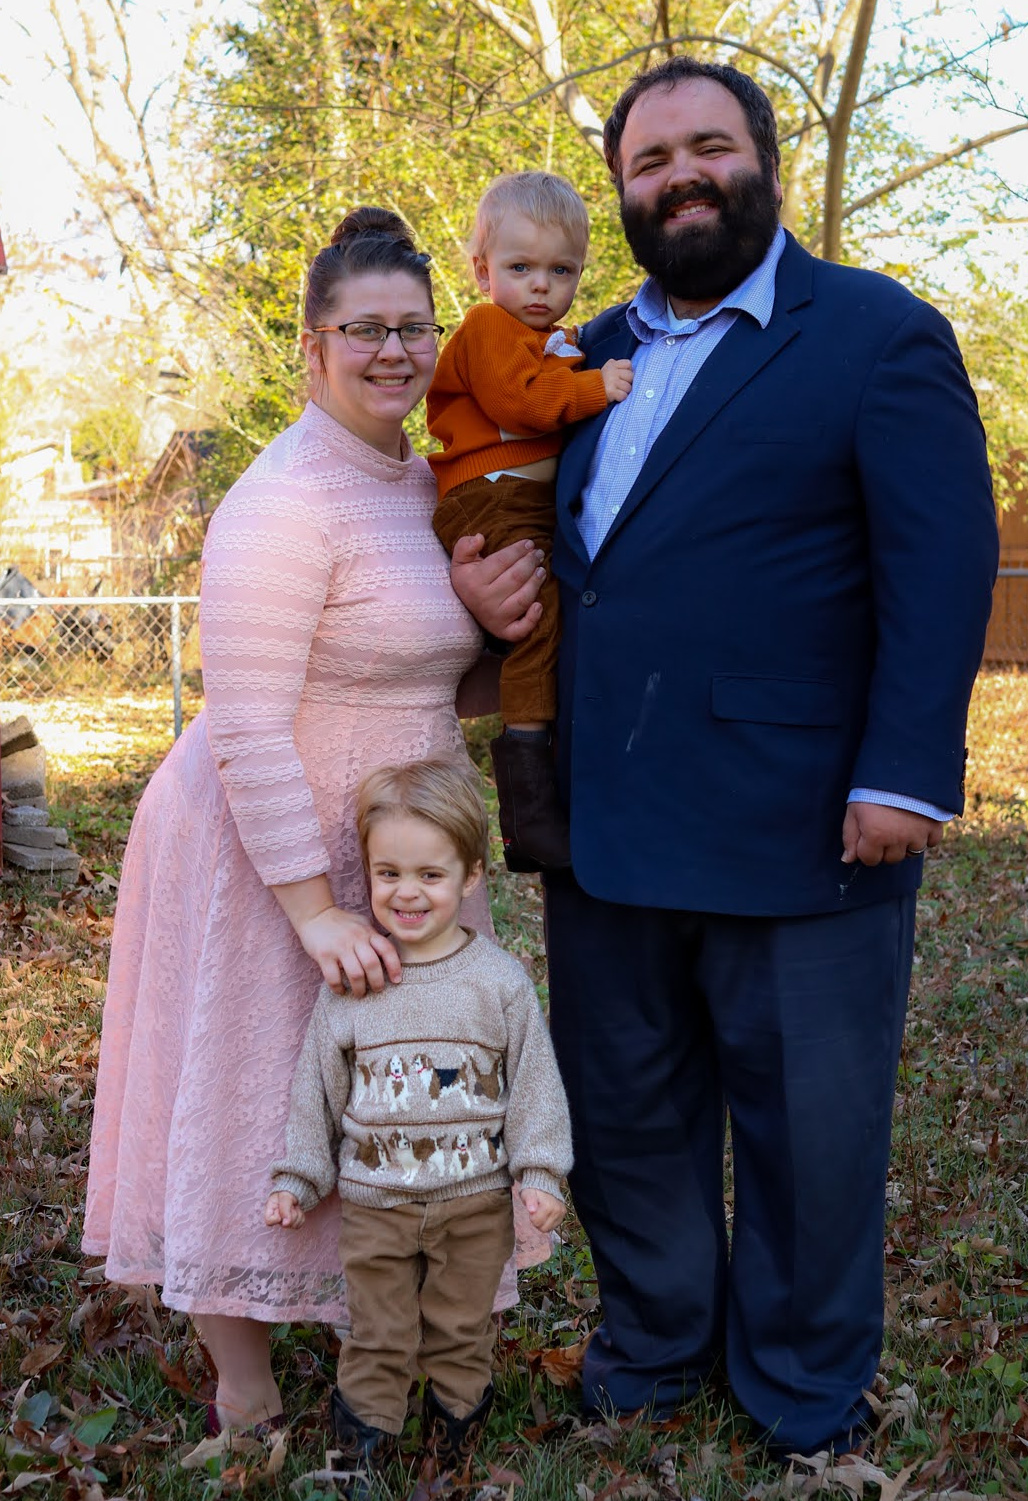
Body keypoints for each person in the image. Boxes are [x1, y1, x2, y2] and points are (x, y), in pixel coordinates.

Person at [450, 59, 998, 1457]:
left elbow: (940, 568)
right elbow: (538, 535)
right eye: (649, 162)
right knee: (628, 1110)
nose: (680, 176)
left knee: (810, 1127)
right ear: (623, 195)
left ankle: (802, 1385)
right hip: (606, 814)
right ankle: (652, 1349)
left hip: (799, 818)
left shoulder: (874, 333)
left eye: (707, 147)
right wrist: (477, 590)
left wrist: (902, 773)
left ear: (764, 159)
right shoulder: (573, 358)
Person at [82, 206, 553, 1436]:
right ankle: (242, 1389)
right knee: (252, 1085)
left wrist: (495, 637)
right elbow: (245, 725)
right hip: (268, 840)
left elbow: (420, 672)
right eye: (364, 330)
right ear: (312, 345)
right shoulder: (281, 500)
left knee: (398, 1090)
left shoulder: (422, 483)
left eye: (414, 327)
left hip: (407, 834)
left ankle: (378, 1340)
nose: (393, 351)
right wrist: (312, 909)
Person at [265, 758, 572, 1492]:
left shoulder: (498, 981)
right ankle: (361, 1445)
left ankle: (455, 1432)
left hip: (474, 1203)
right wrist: (298, 1177)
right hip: (376, 1204)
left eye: (430, 875)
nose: (407, 892)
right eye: (389, 873)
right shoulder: (355, 982)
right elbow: (316, 1087)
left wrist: (540, 1171)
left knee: (461, 1326)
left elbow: (535, 1082)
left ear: (470, 877)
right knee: (377, 1330)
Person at [427, 171, 633, 872]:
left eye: (560, 270)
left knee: (556, 615)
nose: (540, 286)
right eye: (520, 268)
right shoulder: (488, 327)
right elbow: (521, 403)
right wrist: (596, 386)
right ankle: (528, 807)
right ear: (482, 271)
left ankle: (551, 775)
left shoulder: (550, 338)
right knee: (537, 623)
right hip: (489, 494)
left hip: (521, 499)